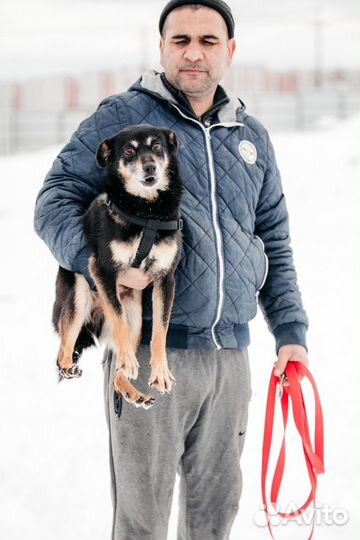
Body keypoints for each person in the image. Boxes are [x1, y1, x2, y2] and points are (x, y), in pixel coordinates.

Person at [34, 1, 309, 538]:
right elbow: (55, 201)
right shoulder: (121, 118)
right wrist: (97, 269)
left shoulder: (250, 135)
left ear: (229, 51)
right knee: (142, 522)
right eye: (180, 40)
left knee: (214, 518)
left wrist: (291, 332)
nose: (193, 53)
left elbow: (273, 237)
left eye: (208, 41)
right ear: (161, 47)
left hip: (231, 358)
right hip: (146, 350)